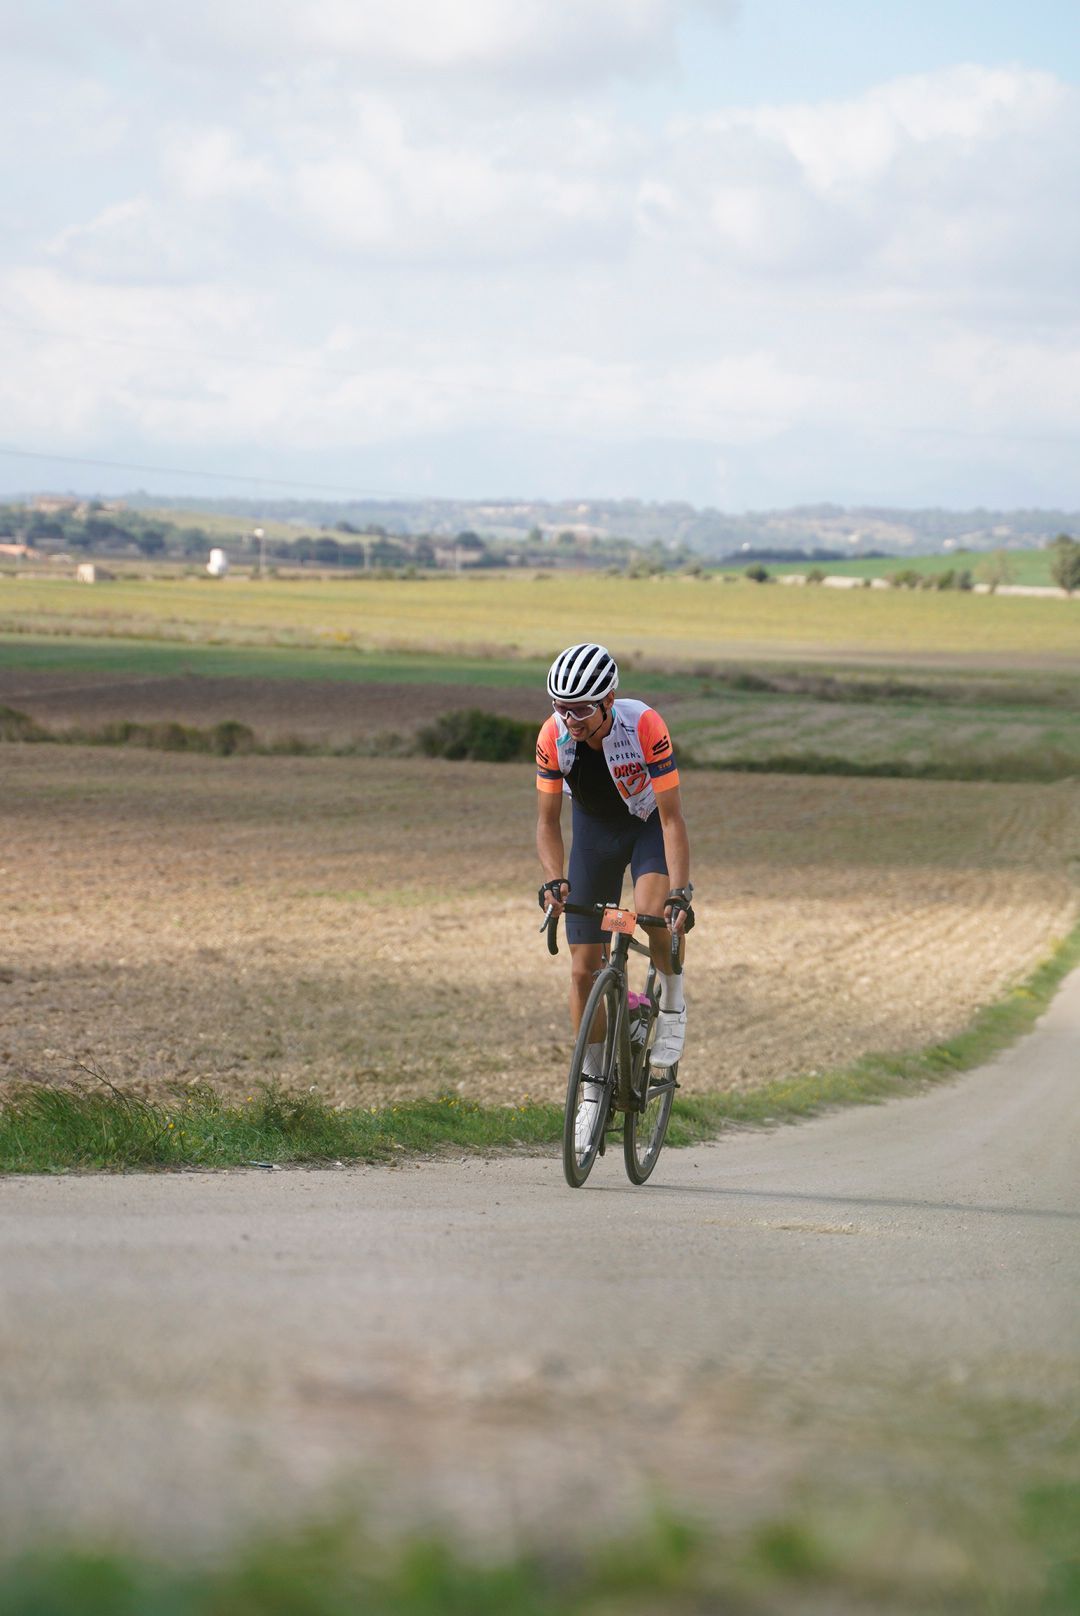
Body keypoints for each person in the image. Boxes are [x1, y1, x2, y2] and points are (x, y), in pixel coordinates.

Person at [535, 642, 693, 1137]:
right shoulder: (552, 735)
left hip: (646, 828)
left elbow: (672, 819)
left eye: (580, 708)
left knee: (651, 919)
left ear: (608, 701)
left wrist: (680, 893)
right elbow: (547, 822)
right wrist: (555, 880)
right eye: (561, 707)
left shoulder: (644, 724)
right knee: (583, 969)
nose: (569, 718)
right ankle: (591, 1090)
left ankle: (671, 996)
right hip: (595, 836)